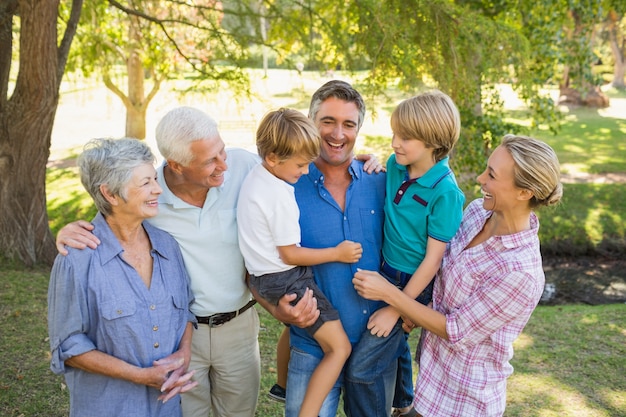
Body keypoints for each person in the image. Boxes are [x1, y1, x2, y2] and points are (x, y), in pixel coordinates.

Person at [56, 105, 380, 417]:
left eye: (222, 151)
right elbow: (115, 213)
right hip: (183, 335)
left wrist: (355, 164)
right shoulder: (150, 197)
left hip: (238, 330)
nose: (223, 165)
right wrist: (71, 230)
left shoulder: (245, 166)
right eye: (210, 161)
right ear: (177, 165)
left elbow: (295, 162)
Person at [353, 134, 563, 416]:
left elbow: (456, 329)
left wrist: (391, 297)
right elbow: (442, 272)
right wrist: (383, 170)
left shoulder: (521, 273)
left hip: (464, 401)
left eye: (491, 175)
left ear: (524, 192)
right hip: (431, 385)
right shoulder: (478, 212)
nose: (480, 179)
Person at [252, 80, 389, 417]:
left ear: (359, 129)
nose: (338, 134)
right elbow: (251, 267)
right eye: (327, 121)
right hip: (312, 347)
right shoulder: (283, 186)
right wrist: (277, 311)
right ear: (310, 122)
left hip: (376, 346)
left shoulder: (381, 181)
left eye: (348, 124)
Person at [47, 138, 197, 417]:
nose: (157, 189)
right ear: (110, 194)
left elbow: (186, 310)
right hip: (108, 408)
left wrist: (184, 353)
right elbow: (69, 345)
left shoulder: (167, 246)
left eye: (154, 178)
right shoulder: (77, 259)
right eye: (145, 183)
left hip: (167, 408)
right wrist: (140, 376)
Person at [348, 90, 465, 417]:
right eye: (394, 134)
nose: (395, 143)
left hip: (415, 282)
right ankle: (404, 402)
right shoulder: (395, 165)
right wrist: (366, 160)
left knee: (360, 370)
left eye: (406, 137)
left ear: (433, 141)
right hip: (385, 268)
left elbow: (433, 261)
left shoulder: (445, 192)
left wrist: (399, 310)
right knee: (394, 344)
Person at [238, 108, 359, 417]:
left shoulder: (256, 174)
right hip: (287, 278)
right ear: (273, 158)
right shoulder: (278, 195)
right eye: (301, 164)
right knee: (339, 347)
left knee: (293, 330)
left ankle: (281, 384)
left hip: (264, 277)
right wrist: (337, 253)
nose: (306, 172)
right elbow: (290, 254)